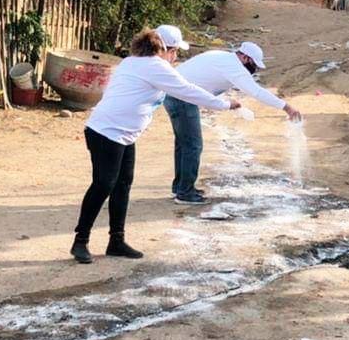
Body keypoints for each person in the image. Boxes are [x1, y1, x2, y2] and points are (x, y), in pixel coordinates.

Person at [71, 26, 238, 264]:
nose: (175, 57)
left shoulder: (133, 61)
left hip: (123, 134)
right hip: (106, 131)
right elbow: (187, 90)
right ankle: (80, 241)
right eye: (174, 51)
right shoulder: (155, 66)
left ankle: (116, 241)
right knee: (104, 184)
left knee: (123, 185)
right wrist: (224, 104)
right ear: (164, 49)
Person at [163, 37, 303, 204]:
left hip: (175, 94)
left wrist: (227, 103)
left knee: (184, 144)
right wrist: (287, 107)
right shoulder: (233, 66)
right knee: (193, 145)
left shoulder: (222, 58)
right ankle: (185, 193)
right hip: (182, 98)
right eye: (253, 64)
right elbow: (256, 92)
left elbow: (207, 83)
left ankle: (180, 187)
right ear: (244, 57)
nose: (253, 69)